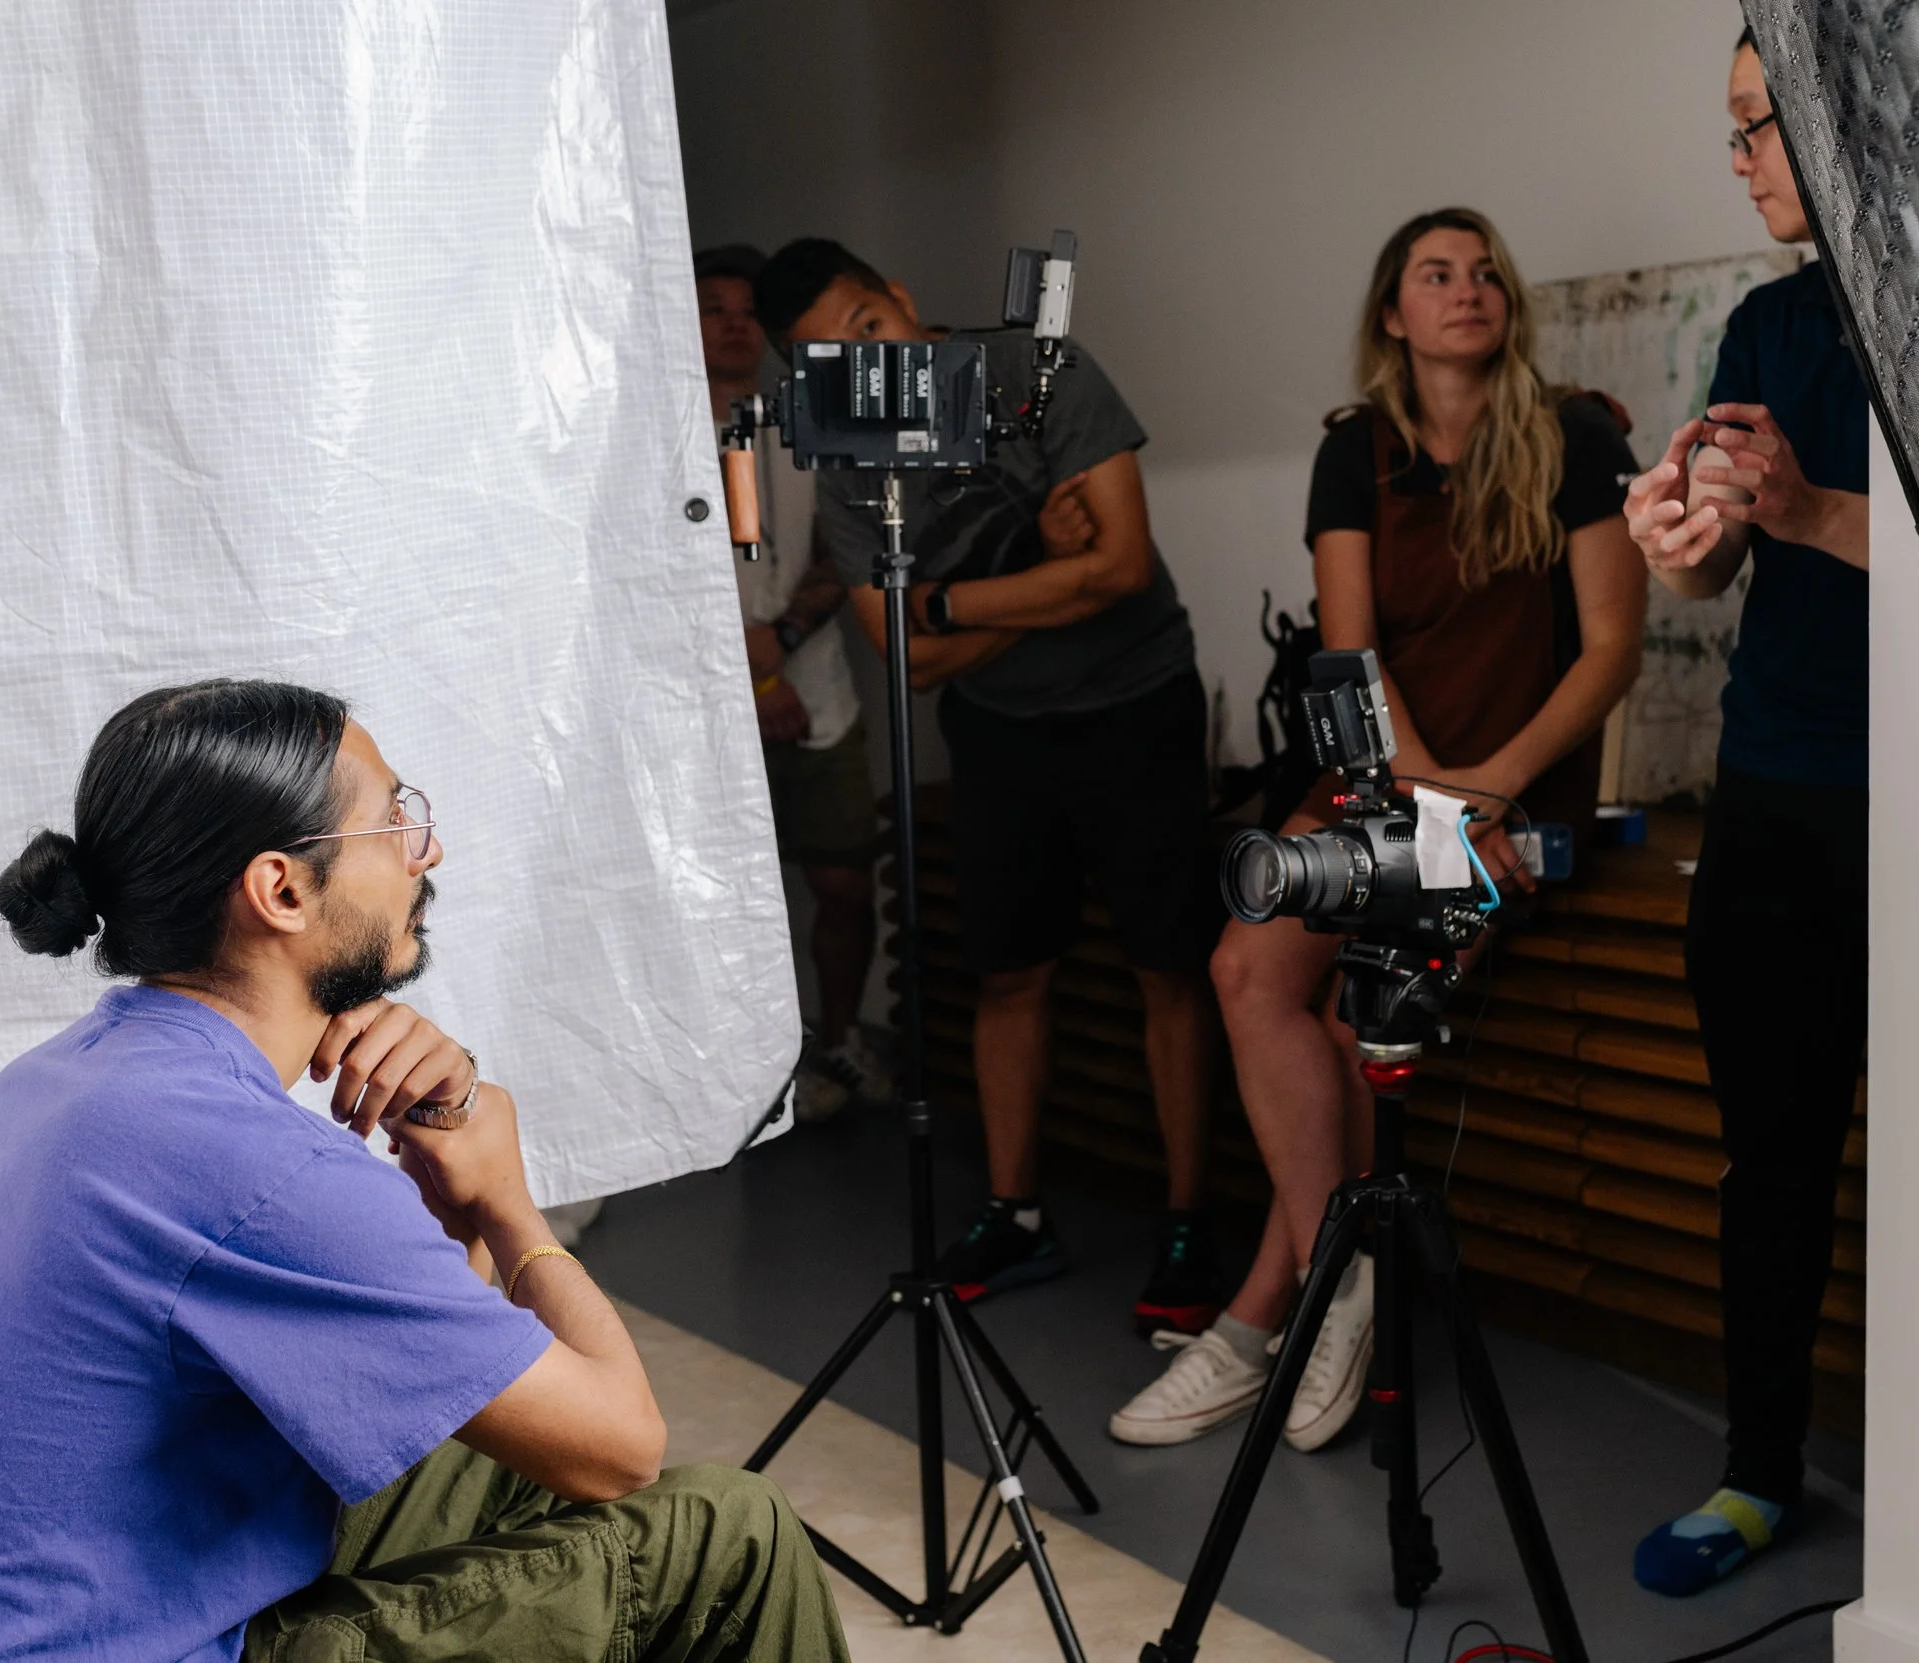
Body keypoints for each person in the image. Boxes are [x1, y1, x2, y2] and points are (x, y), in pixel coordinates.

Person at [0, 681, 849, 1663]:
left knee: (486, 1450)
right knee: (730, 1536)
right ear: (281, 889)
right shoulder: (255, 1165)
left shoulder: (80, 1076)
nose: (428, 850)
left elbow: (454, 1374)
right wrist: (506, 1200)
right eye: (393, 822)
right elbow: (620, 1441)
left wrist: (439, 1199)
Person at [1108, 208, 1644, 1450]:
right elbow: (1347, 654)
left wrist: (1484, 790)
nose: (1466, 290)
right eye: (1434, 274)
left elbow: (1614, 649)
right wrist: (1419, 789)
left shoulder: (1573, 433)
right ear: (1392, 316)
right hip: (1383, 781)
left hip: (1510, 800)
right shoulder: (1355, 451)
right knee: (1247, 963)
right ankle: (1339, 1277)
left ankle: (1262, 1314)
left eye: (1484, 274)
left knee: (1361, 1015)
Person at [754, 239, 1225, 1336]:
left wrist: (953, 606)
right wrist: (1018, 589)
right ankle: (1016, 1214)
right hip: (1000, 733)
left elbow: (1119, 571)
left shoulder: (1033, 376)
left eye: (871, 331)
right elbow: (903, 665)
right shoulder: (849, 467)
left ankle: (1190, 1218)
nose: (867, 368)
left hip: (1137, 701)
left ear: (905, 300)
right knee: (1009, 972)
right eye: (830, 360)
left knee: (1172, 968)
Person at [1620, 27, 1871, 1598]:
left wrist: (1807, 510)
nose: (1742, 161)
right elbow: (1723, 555)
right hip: (1775, 790)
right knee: (1769, 1158)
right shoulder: (1763, 324)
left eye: (1754, 128)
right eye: (1731, 136)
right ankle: (1760, 1473)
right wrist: (1681, 545)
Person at [700, 243, 890, 1121]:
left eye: (750, 313)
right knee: (723, 898)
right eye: (716, 309)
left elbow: (841, 545)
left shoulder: (809, 417)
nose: (736, 325)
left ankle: (841, 1044)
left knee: (846, 879)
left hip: (814, 685)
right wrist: (746, 670)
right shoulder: (654, 435)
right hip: (703, 704)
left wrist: (774, 650)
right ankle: (730, 1077)